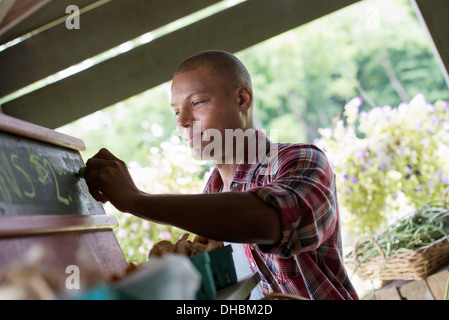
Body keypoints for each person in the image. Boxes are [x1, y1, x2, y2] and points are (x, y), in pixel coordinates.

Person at [84, 50, 358, 300]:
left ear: (242, 99)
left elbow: (272, 220)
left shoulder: (300, 161)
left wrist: (136, 200)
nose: (182, 122)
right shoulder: (212, 194)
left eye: (198, 102)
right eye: (177, 111)